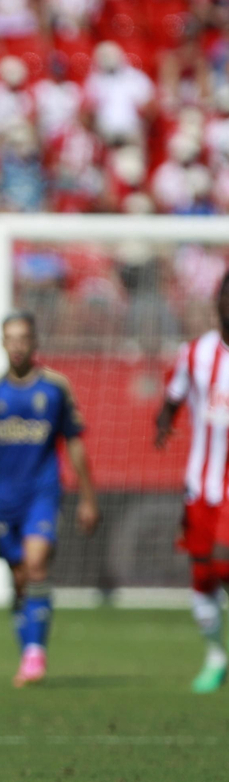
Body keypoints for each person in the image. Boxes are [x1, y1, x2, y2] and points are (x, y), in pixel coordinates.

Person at [0, 311, 98, 688]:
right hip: (4, 497)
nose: (18, 345)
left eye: (24, 337)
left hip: (43, 490)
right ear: (2, 343)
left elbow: (74, 441)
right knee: (20, 576)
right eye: (11, 338)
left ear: (35, 342)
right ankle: (28, 650)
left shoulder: (56, 388)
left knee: (37, 564)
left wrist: (88, 497)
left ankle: (35, 654)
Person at [155, 273, 229, 692]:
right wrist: (163, 422)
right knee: (203, 576)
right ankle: (216, 656)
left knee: (224, 561)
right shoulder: (197, 354)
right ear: (218, 302)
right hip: (200, 486)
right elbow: (173, 396)